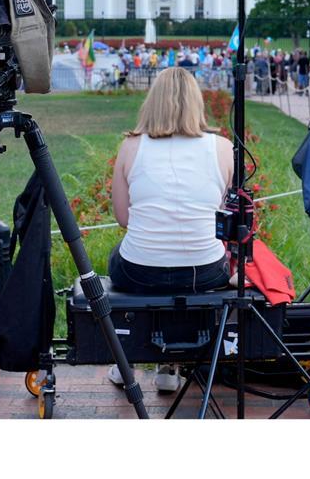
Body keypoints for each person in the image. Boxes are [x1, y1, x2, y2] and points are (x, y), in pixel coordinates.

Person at [105, 67, 234, 392]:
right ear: (196, 103)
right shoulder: (221, 147)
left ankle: (127, 361)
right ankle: (170, 366)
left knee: (123, 258)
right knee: (182, 270)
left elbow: (123, 218)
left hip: (138, 271)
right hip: (203, 270)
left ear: (153, 102)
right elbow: (218, 213)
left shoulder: (131, 146)